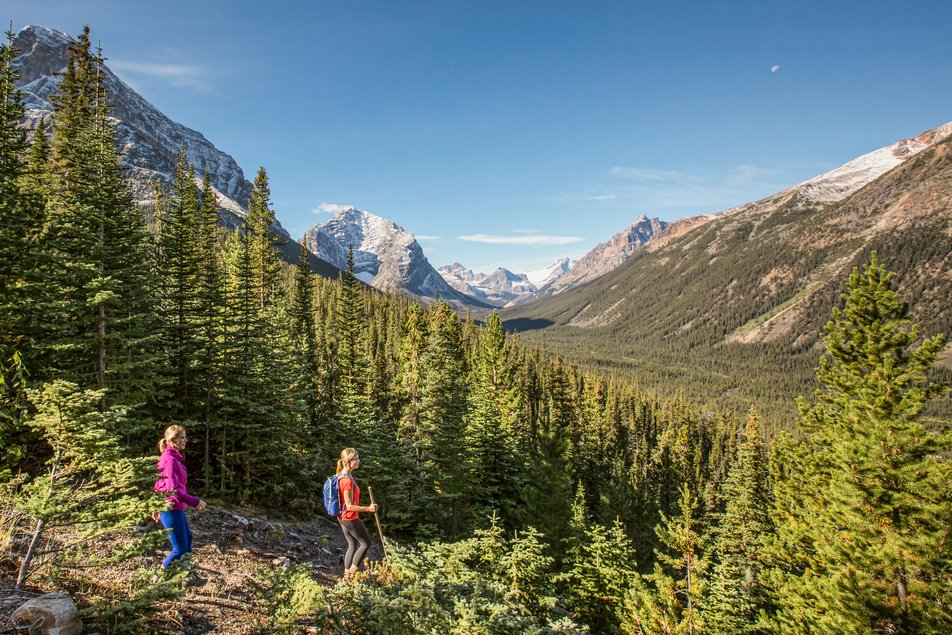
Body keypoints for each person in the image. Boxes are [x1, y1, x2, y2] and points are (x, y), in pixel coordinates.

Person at [153, 425, 207, 568]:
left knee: (187, 540)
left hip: (174, 507)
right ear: (172, 440)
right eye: (182, 438)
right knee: (179, 548)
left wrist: (154, 506)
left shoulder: (171, 457)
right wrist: (194, 501)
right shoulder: (170, 459)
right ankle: (159, 579)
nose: (185, 440)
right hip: (170, 507)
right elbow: (172, 489)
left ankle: (186, 575)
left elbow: (159, 483)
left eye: (185, 437)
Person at [335, 448, 377, 578]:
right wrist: (368, 509)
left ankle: (346, 577)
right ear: (348, 462)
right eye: (356, 459)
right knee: (366, 543)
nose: (359, 461)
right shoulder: (346, 480)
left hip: (342, 517)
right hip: (349, 518)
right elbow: (350, 506)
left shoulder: (342, 474)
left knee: (352, 544)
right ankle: (350, 576)